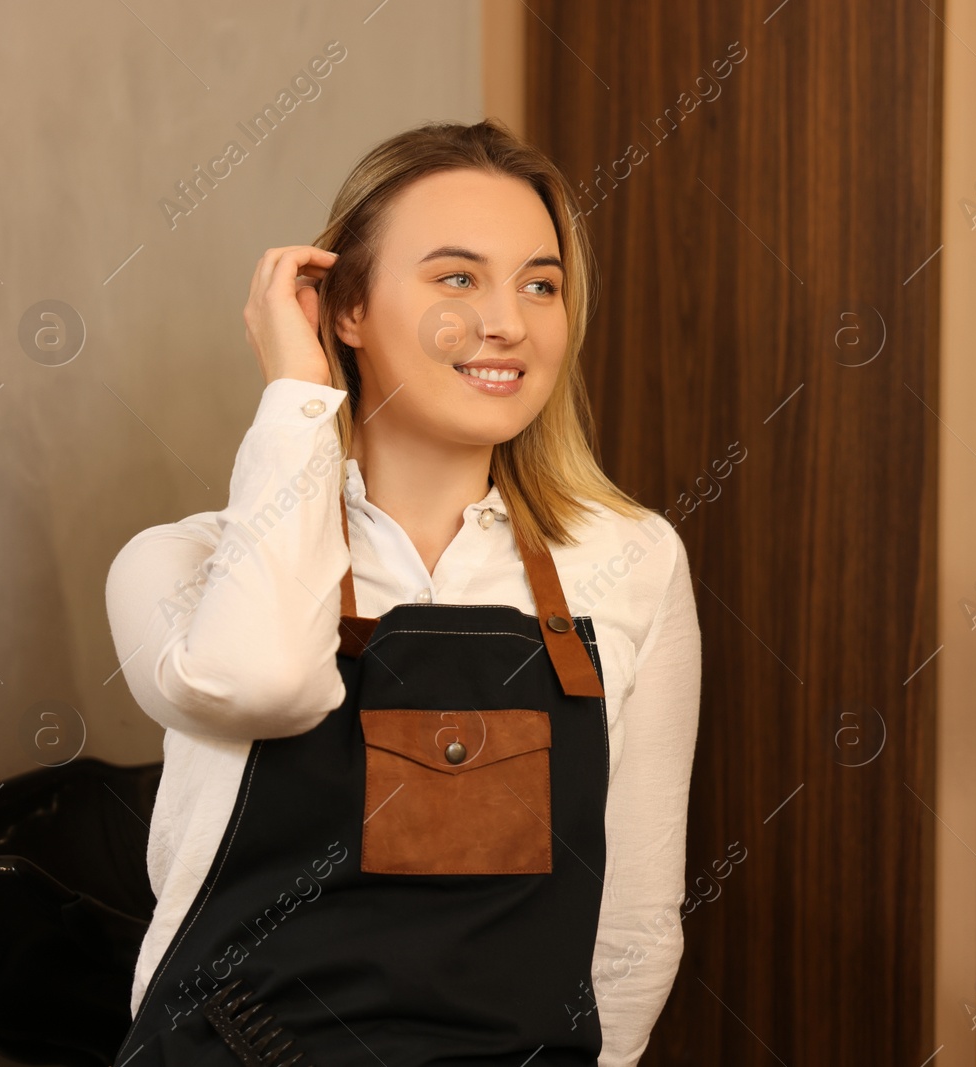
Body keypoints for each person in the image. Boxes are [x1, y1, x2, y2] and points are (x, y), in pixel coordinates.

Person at [103, 119, 701, 1065]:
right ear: (345, 310)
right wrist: (301, 395)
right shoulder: (181, 566)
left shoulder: (632, 559)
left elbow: (631, 925)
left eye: (540, 284)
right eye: (456, 277)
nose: (508, 320)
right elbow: (259, 683)